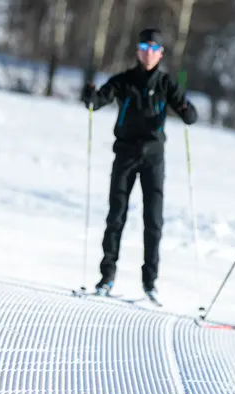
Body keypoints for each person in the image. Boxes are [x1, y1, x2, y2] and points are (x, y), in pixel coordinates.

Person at [81, 28, 198, 302]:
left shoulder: (166, 84)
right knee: (116, 216)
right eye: (144, 48)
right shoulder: (124, 80)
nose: (148, 53)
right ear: (137, 51)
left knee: (153, 221)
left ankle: (149, 282)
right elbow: (97, 101)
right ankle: (107, 276)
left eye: (154, 49)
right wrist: (90, 95)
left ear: (161, 53)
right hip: (125, 154)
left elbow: (190, 115)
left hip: (154, 159)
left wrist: (186, 109)